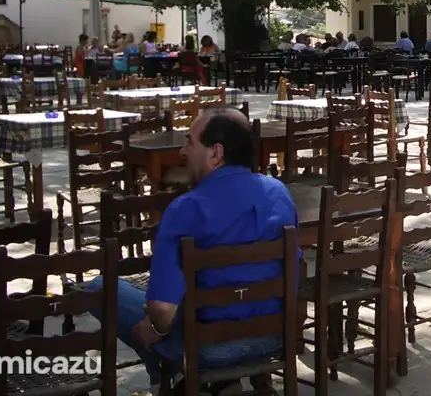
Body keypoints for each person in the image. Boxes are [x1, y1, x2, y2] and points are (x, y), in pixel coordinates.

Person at [86, 109, 298, 395]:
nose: (183, 151)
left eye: (190, 142)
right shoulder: (279, 193)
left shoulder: (186, 209)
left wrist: (153, 330)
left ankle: (173, 379)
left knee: (100, 288)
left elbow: (163, 311)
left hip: (208, 348)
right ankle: (206, 381)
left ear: (216, 154)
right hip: (272, 338)